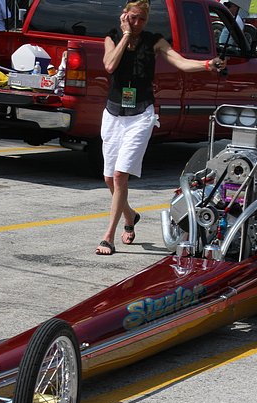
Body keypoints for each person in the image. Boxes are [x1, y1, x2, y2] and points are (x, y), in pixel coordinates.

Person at [95, 0, 224, 256]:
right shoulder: (112, 37)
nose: (137, 23)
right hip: (113, 114)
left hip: (141, 115)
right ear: (124, 15)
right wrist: (126, 35)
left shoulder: (154, 41)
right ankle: (130, 215)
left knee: (120, 176)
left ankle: (108, 237)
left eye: (142, 19)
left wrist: (207, 64)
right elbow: (109, 65)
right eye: (133, 17)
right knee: (109, 178)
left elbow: (180, 62)